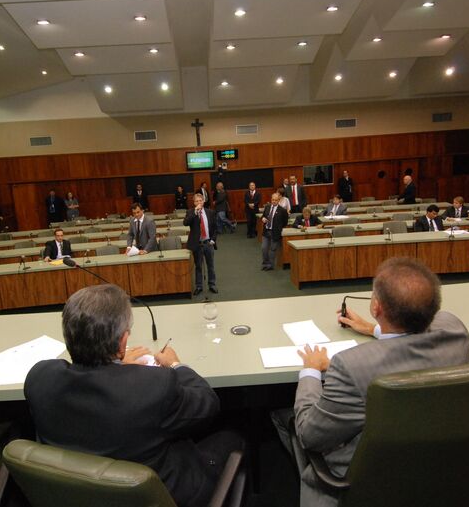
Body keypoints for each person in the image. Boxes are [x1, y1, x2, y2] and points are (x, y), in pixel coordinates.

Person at [271, 257, 469, 507]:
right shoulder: (456, 330)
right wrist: (374, 329)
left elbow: (310, 436)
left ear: (376, 307)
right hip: (439, 469)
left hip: (367, 480)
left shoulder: (350, 366)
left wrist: (311, 370)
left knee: (284, 417)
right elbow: (427, 327)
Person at [24, 284, 242, 507]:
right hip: (161, 497)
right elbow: (207, 404)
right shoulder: (153, 386)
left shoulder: (39, 378)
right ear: (123, 342)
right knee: (233, 437)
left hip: (74, 496)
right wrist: (176, 364)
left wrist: (114, 365)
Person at [184, 193, 218, 295]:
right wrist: (195, 212)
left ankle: (212, 284)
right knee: (198, 266)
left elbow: (215, 227)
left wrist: (213, 240)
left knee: (210, 265)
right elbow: (185, 223)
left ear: (203, 201)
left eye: (200, 200)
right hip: (197, 244)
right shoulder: (190, 212)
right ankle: (199, 286)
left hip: (208, 243)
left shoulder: (210, 212)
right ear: (194, 203)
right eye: (196, 201)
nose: (199, 202)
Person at [261, 193, 288, 271]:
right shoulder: (267, 207)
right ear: (271, 199)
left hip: (275, 232)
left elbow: (285, 222)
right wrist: (263, 219)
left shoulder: (282, 210)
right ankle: (265, 263)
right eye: (273, 200)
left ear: (278, 200)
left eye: (276, 200)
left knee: (272, 250)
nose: (274, 201)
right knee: (264, 248)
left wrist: (278, 228)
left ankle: (270, 265)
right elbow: (263, 216)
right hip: (266, 231)